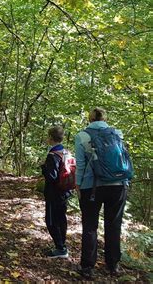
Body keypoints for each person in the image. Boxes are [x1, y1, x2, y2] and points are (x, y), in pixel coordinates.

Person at [75, 107, 128, 279]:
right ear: (105, 118)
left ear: (89, 118)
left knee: (90, 226)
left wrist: (78, 185)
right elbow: (123, 159)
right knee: (114, 225)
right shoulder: (117, 134)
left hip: (92, 187)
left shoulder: (82, 136)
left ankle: (88, 267)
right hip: (118, 185)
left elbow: (81, 165)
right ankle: (113, 265)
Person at [41, 125, 71, 258]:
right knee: (61, 218)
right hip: (65, 191)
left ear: (51, 138)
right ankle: (62, 245)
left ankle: (60, 248)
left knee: (51, 220)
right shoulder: (66, 152)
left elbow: (52, 177)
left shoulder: (53, 155)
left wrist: (43, 167)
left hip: (54, 193)